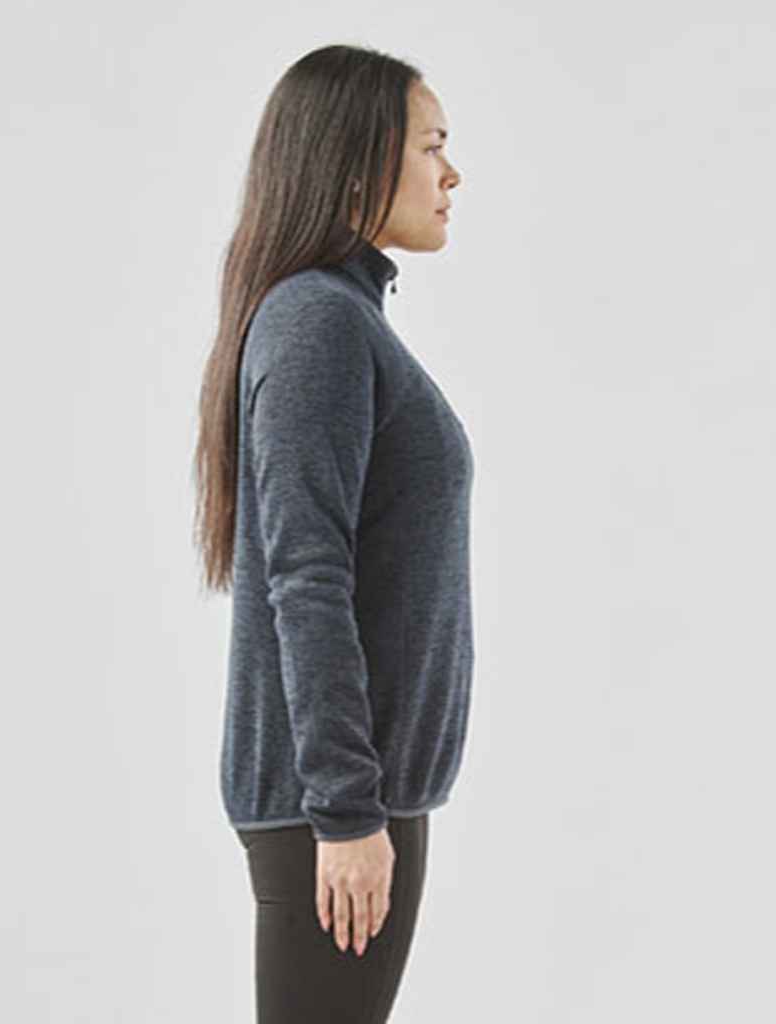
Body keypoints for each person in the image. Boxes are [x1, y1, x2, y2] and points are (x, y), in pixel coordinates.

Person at [192, 43, 471, 1023]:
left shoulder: (340, 316)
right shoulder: (317, 321)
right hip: (334, 809)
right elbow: (306, 579)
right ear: (358, 162)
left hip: (356, 799)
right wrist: (347, 812)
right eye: (432, 146)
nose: (451, 174)